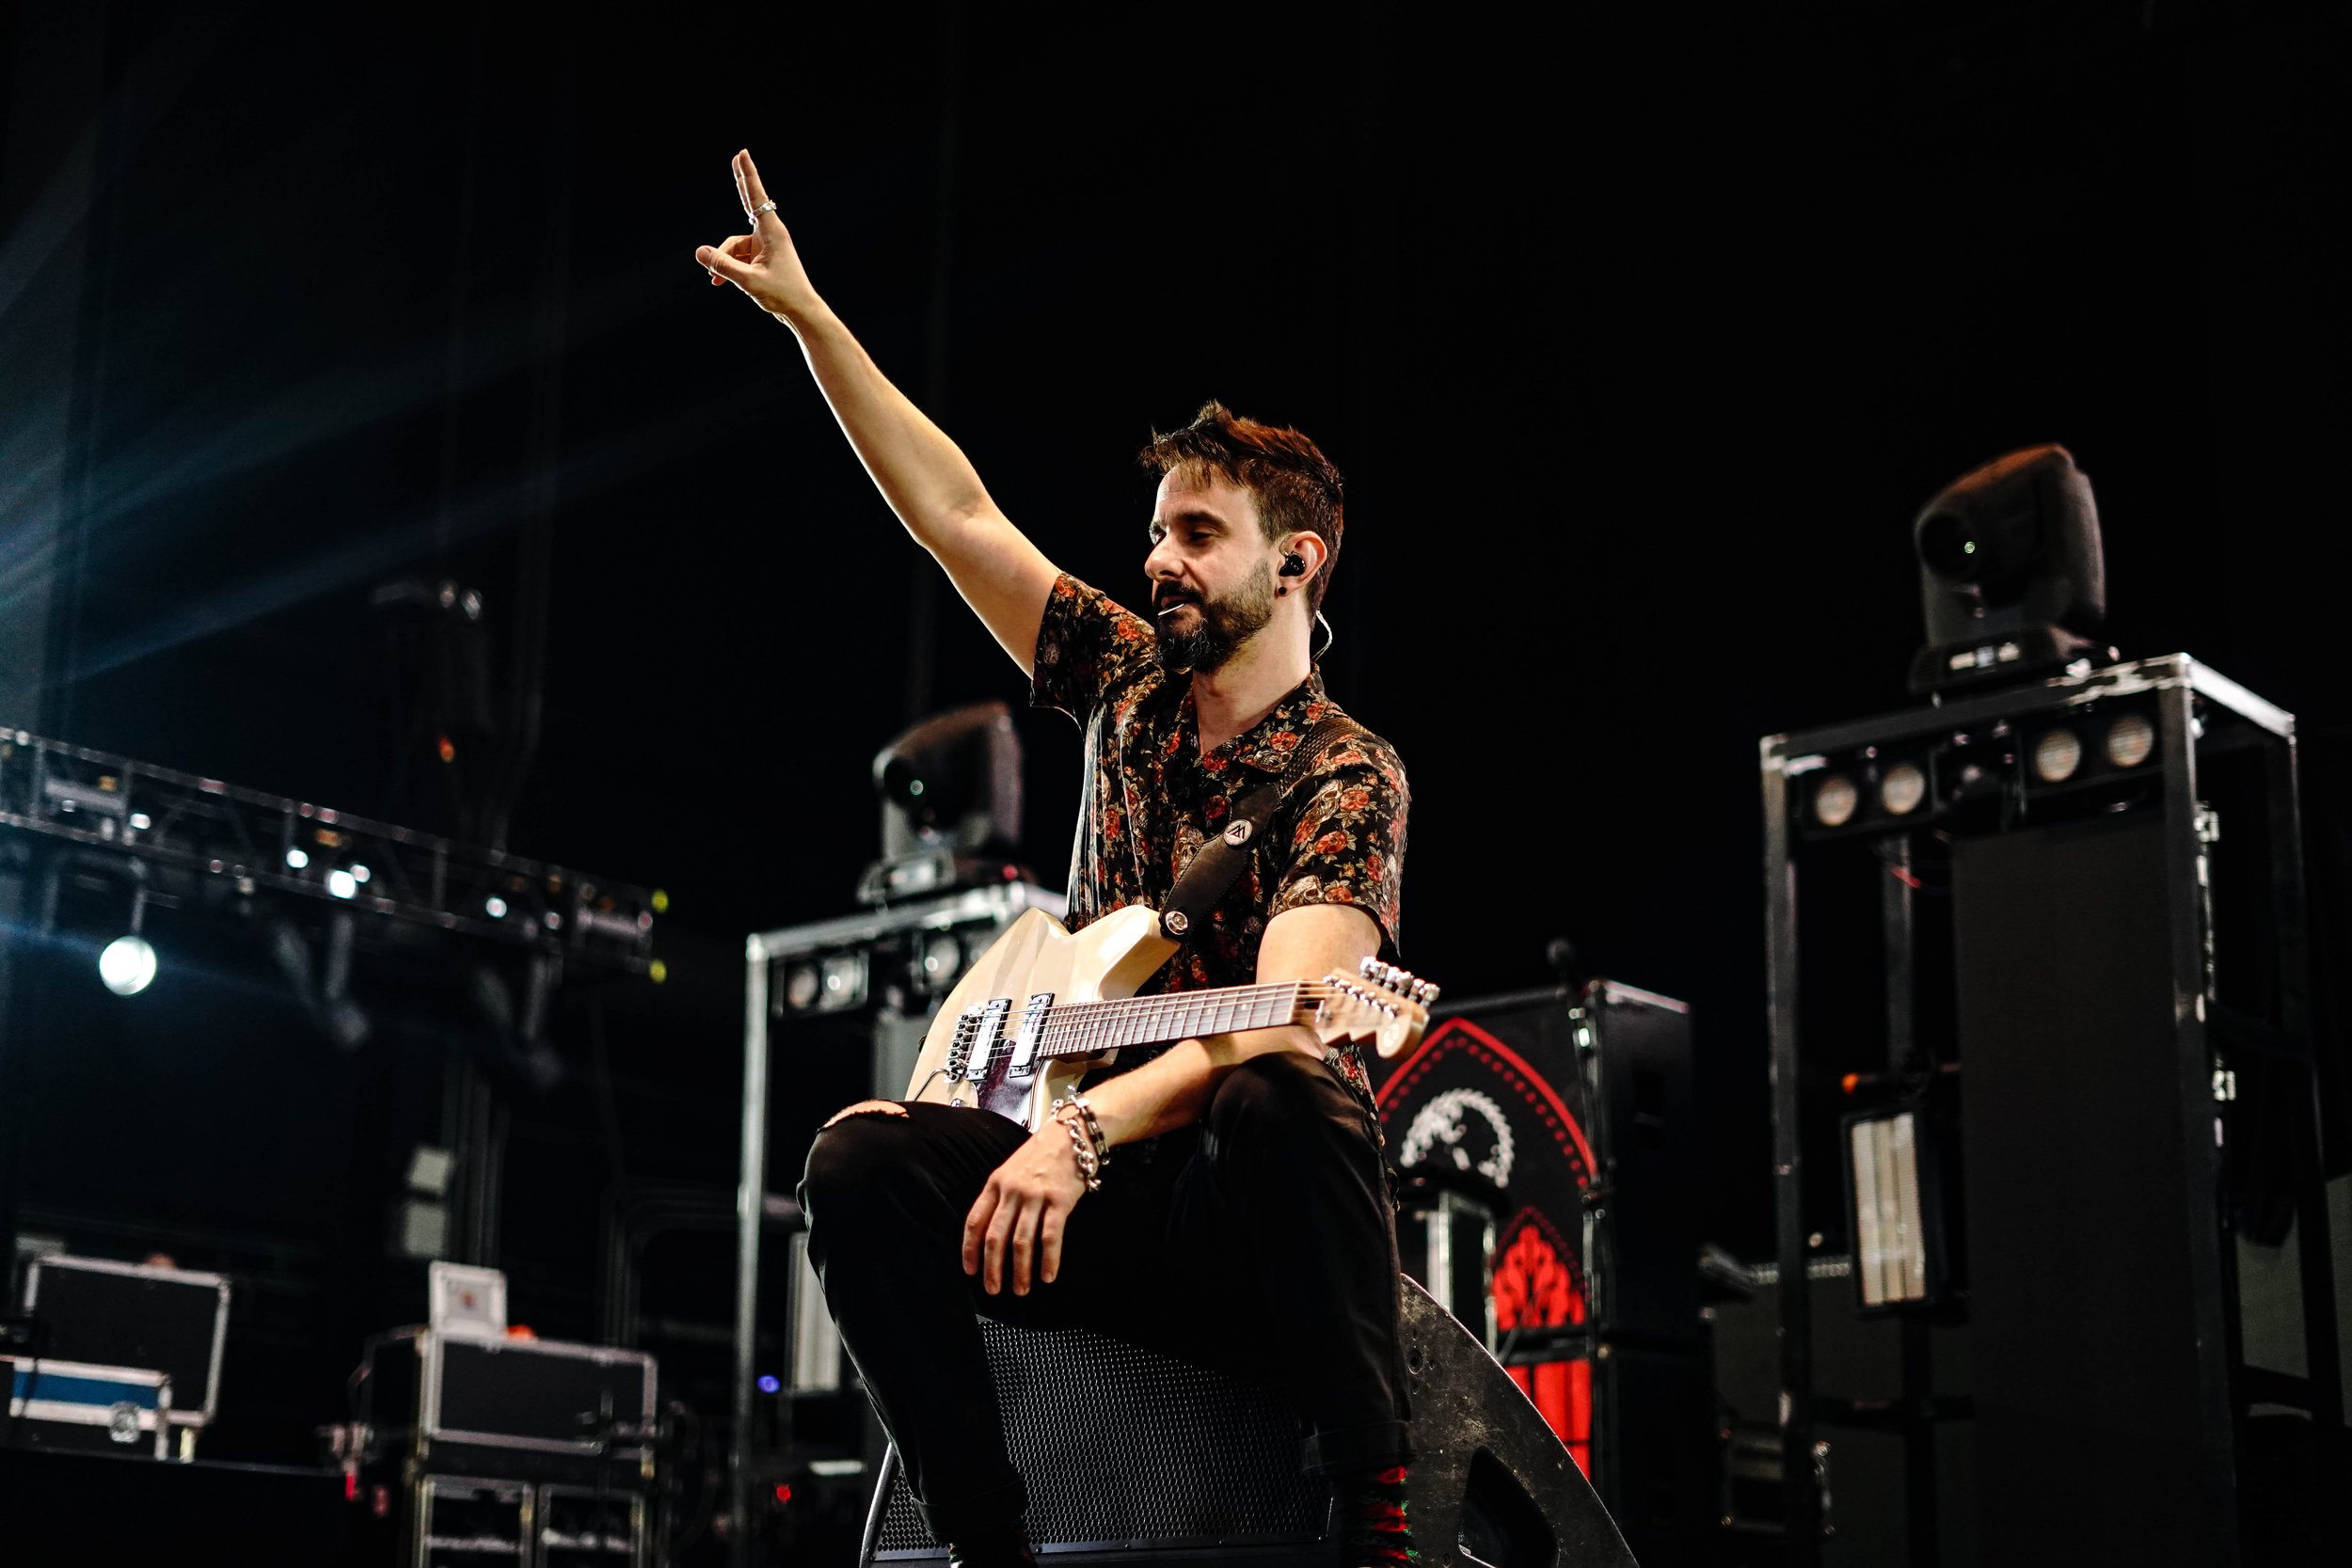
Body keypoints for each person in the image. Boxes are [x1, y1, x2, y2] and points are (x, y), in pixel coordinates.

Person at [696, 150, 1416, 1568]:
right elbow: (953, 512)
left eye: (1199, 536)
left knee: (1289, 1094)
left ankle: (1374, 1527)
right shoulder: (1126, 683)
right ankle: (988, 1546)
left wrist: (1080, 1134)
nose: (1160, 562)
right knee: (852, 1168)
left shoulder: (1345, 769)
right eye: (1157, 533)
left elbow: (1287, 1016)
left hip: (1224, 1218)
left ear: (1299, 564)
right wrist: (810, 319)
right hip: (1072, 1189)